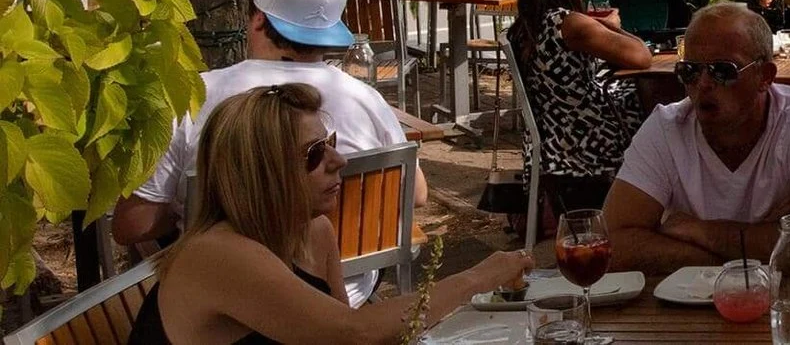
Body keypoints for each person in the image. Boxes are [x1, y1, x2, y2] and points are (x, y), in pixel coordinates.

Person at [114, 0, 426, 307]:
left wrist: (191, 208)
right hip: (344, 291)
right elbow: (417, 193)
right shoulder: (365, 97)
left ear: (258, 19)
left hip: (227, 297)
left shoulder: (192, 96)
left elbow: (132, 224)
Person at [125, 82, 533, 345]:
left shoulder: (314, 230)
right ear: (262, 172)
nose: (338, 160)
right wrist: (482, 276)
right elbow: (354, 332)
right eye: (314, 153)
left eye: (330, 142)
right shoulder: (217, 253)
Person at [604, 2, 790, 272]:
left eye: (723, 71)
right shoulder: (667, 127)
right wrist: (747, 256)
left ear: (765, 77)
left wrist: (699, 231)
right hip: (686, 306)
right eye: (690, 71)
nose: (703, 84)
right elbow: (612, 245)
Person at [510, 0, 652, 214]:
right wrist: (611, 27)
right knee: (656, 101)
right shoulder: (569, 24)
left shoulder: (527, 24)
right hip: (584, 136)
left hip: (553, 131)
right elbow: (641, 57)